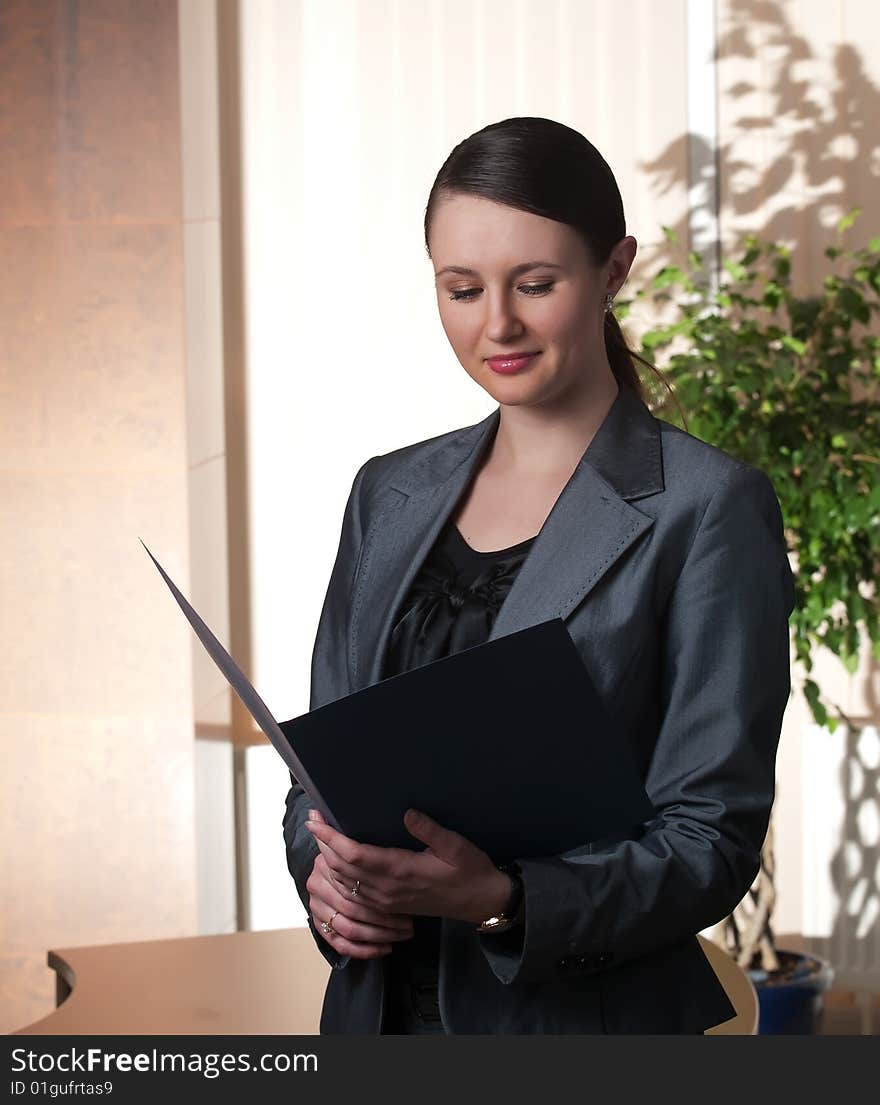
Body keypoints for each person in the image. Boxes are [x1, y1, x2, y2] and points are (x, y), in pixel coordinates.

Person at [282, 116, 795, 1035]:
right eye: (462, 288)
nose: (497, 324)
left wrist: (503, 899)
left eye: (535, 284)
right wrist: (326, 883)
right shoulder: (388, 493)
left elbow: (709, 839)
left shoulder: (709, 508)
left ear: (616, 269)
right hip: (374, 1022)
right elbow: (316, 776)